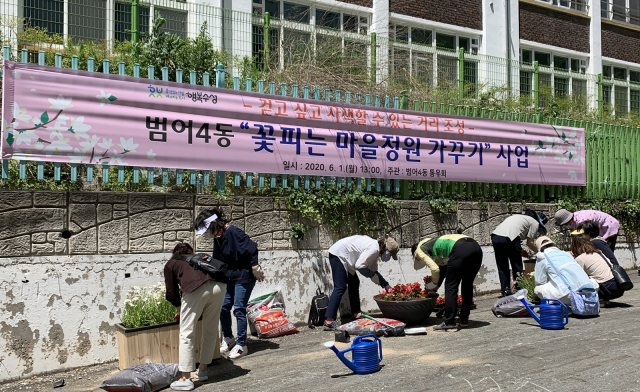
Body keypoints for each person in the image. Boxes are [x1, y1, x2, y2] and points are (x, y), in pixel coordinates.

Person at [194, 208, 265, 360]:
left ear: (213, 223)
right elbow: (218, 261)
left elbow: (252, 248)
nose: (207, 234)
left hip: (243, 276)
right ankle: (228, 338)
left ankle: (241, 344)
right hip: (229, 277)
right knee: (223, 308)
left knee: (239, 309)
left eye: (207, 229)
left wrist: (254, 266)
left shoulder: (233, 232)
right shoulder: (217, 237)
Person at [164, 243, 226, 391]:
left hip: (196, 288)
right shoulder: (199, 257)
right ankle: (202, 370)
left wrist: (180, 309)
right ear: (190, 251)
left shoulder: (171, 263)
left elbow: (171, 293)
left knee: (187, 333)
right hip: (220, 286)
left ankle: (185, 378)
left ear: (175, 253)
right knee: (210, 329)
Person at [323, 235, 399, 331]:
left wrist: (386, 286)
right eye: (390, 254)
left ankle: (356, 314)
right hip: (339, 254)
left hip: (347, 257)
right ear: (386, 248)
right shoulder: (374, 249)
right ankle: (329, 321)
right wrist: (372, 276)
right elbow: (359, 266)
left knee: (354, 283)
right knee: (340, 286)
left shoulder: (376, 251)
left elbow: (374, 271)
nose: (389, 257)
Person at [411, 234, 483, 331]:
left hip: (460, 248)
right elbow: (443, 271)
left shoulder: (420, 250)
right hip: (476, 248)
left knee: (451, 286)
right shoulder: (437, 246)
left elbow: (435, 269)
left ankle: (449, 321)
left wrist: (432, 284)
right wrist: (435, 288)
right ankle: (464, 319)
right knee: (467, 284)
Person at [491, 210, 548, 296]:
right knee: (517, 265)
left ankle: (505, 291)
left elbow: (513, 233)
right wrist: (540, 252)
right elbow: (530, 243)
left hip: (495, 237)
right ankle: (520, 290)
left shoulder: (520, 217)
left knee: (502, 266)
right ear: (540, 222)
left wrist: (520, 250)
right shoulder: (535, 223)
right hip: (510, 238)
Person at [533, 236, 598, 305]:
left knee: (538, 289)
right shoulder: (566, 254)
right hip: (590, 291)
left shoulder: (542, 257)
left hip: (569, 295)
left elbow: (540, 281)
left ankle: (562, 308)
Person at [570, 235, 623, 306]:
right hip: (618, 286)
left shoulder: (580, 259)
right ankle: (604, 299)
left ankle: (600, 299)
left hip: (606, 289)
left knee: (582, 281)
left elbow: (577, 277)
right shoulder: (599, 253)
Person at [554, 208, 620, 251]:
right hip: (601, 228)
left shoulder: (582, 221)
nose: (566, 226)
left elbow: (585, 238)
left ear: (569, 220)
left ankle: (611, 268)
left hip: (609, 226)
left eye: (565, 224)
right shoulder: (575, 220)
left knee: (605, 250)